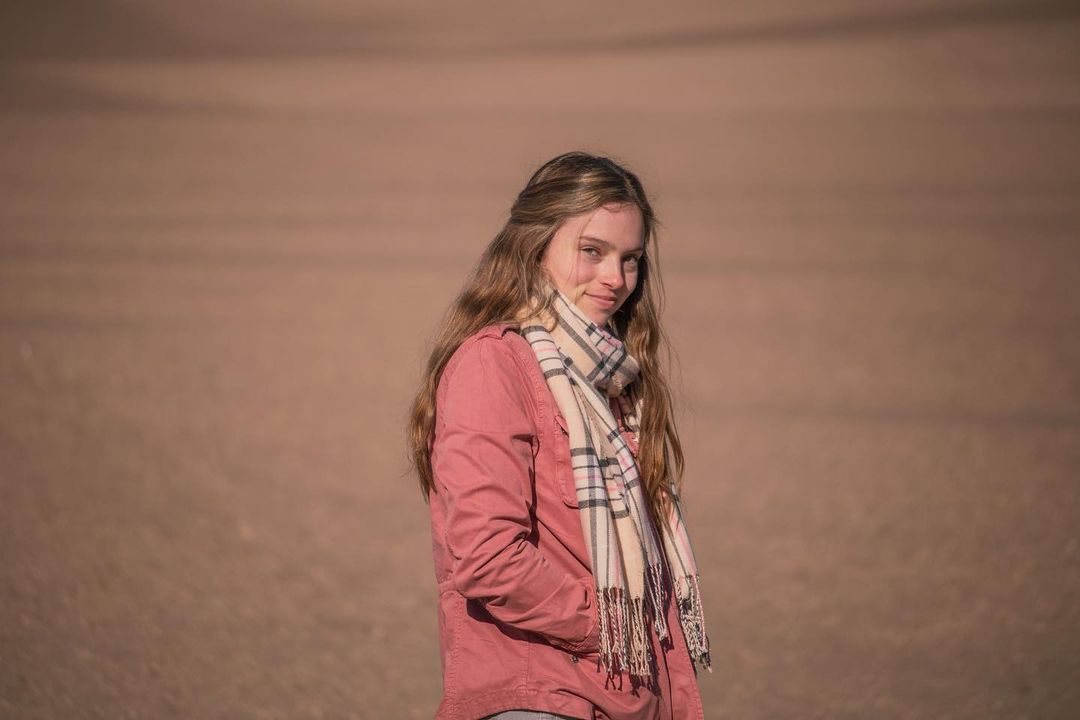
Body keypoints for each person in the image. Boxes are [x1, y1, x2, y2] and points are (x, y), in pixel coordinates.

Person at [407, 152, 710, 720]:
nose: (615, 279)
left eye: (631, 259)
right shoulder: (493, 365)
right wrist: (611, 626)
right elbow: (488, 558)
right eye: (591, 251)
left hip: (621, 694)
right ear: (534, 245)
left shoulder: (613, 381)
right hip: (537, 696)